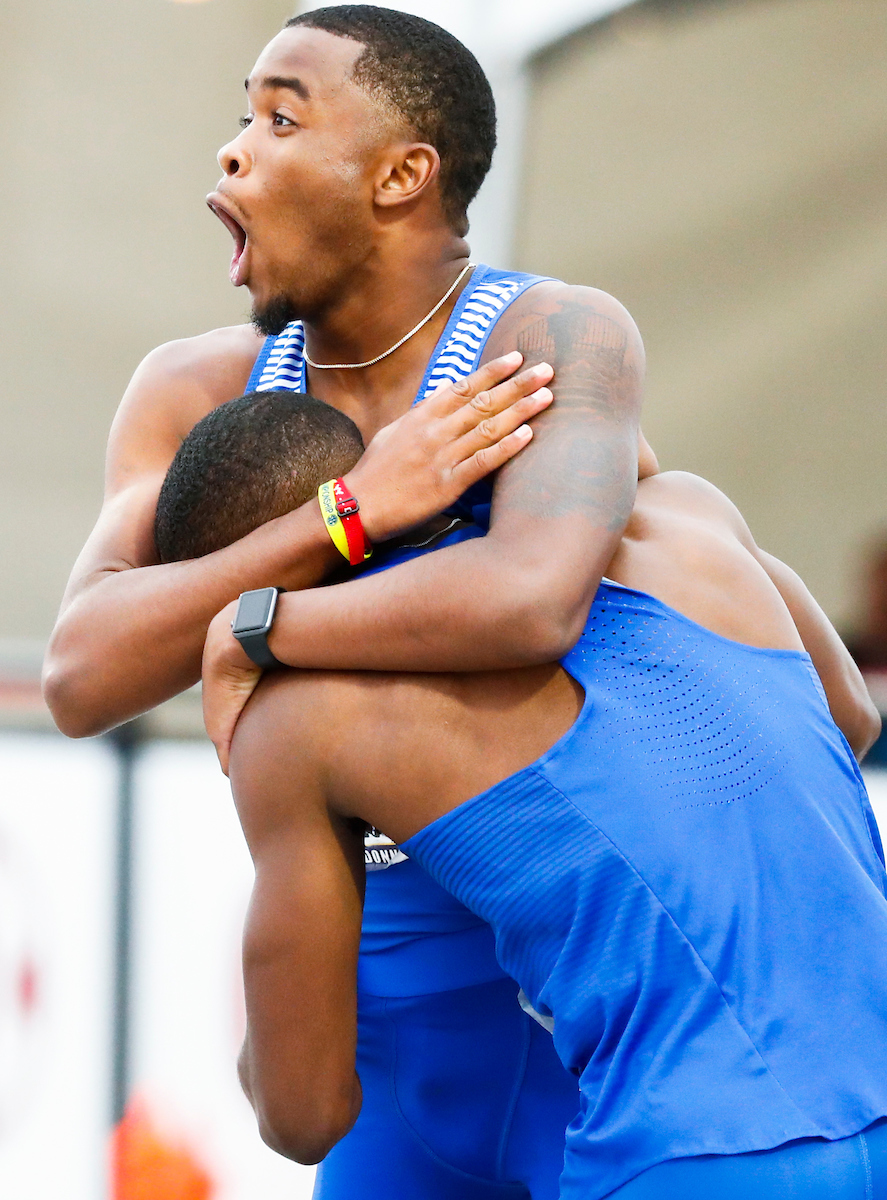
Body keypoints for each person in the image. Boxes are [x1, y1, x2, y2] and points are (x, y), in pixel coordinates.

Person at [45, 9, 646, 1196]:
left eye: (280, 117)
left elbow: (536, 605)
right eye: (240, 116)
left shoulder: (541, 339)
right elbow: (79, 675)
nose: (231, 148)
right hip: (375, 1034)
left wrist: (256, 627)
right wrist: (345, 516)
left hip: (578, 1022)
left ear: (400, 175)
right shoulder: (200, 387)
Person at [163, 384, 885, 1198]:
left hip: (689, 1147)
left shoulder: (302, 720)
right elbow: (847, 719)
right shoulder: (685, 514)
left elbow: (300, 1116)